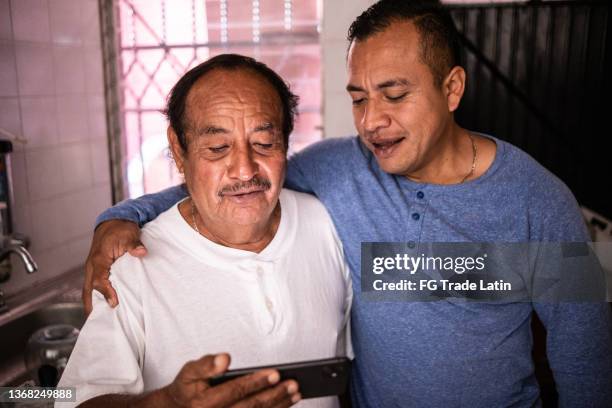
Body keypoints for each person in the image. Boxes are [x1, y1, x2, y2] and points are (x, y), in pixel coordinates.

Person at [84, 1, 612, 407]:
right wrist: (122, 216)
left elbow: (585, 358)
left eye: (394, 94)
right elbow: (237, 179)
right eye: (359, 97)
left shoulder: (541, 201)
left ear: (451, 89)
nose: (370, 121)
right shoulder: (339, 170)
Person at [58, 54, 352, 408]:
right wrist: (165, 404)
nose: (244, 170)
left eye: (264, 143)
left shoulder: (328, 225)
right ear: (179, 151)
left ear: (287, 144)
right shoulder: (132, 266)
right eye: (217, 148)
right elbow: (73, 401)